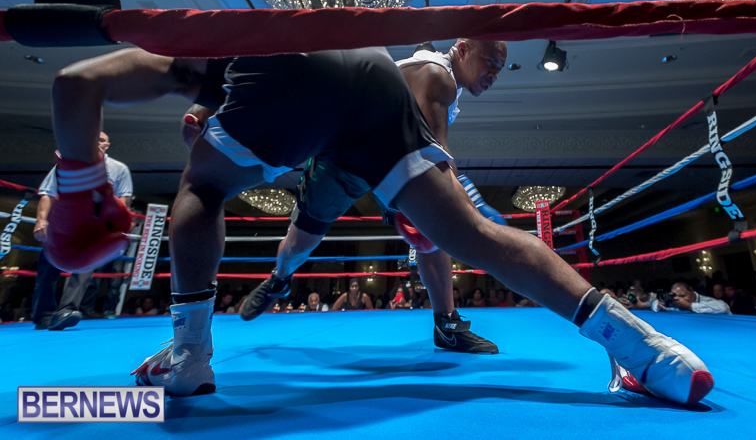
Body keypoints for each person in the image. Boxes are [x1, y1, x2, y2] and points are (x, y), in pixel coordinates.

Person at [47, 46, 713, 405]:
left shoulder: (192, 55)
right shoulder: (223, 66)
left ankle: (191, 352)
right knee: (476, 236)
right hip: (370, 75)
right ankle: (649, 352)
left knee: (203, 185)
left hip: (297, 84)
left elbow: (75, 82)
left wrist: (80, 184)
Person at [239, 40, 508, 355]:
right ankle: (280, 278)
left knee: (432, 230)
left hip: (390, 162)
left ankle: (446, 325)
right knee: (299, 244)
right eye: (489, 61)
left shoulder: (440, 77)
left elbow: (424, 152)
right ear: (462, 49)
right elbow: (435, 157)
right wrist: (473, 201)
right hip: (346, 157)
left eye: (499, 68)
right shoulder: (438, 77)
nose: (493, 74)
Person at [31, 131, 133, 330]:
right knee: (48, 267)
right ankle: (43, 315)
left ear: (108, 145)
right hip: (61, 221)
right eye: (94, 138)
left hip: (93, 226)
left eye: (102, 139)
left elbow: (123, 200)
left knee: (83, 269)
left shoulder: (119, 168)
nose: (97, 142)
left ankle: (66, 311)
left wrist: (115, 226)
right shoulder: (68, 164)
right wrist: (41, 220)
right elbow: (47, 193)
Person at [653, 282, 731, 315]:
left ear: (691, 291)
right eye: (675, 295)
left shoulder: (705, 300)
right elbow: (654, 304)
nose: (679, 299)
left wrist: (689, 306)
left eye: (682, 296)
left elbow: (724, 307)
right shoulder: (675, 302)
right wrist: (658, 305)